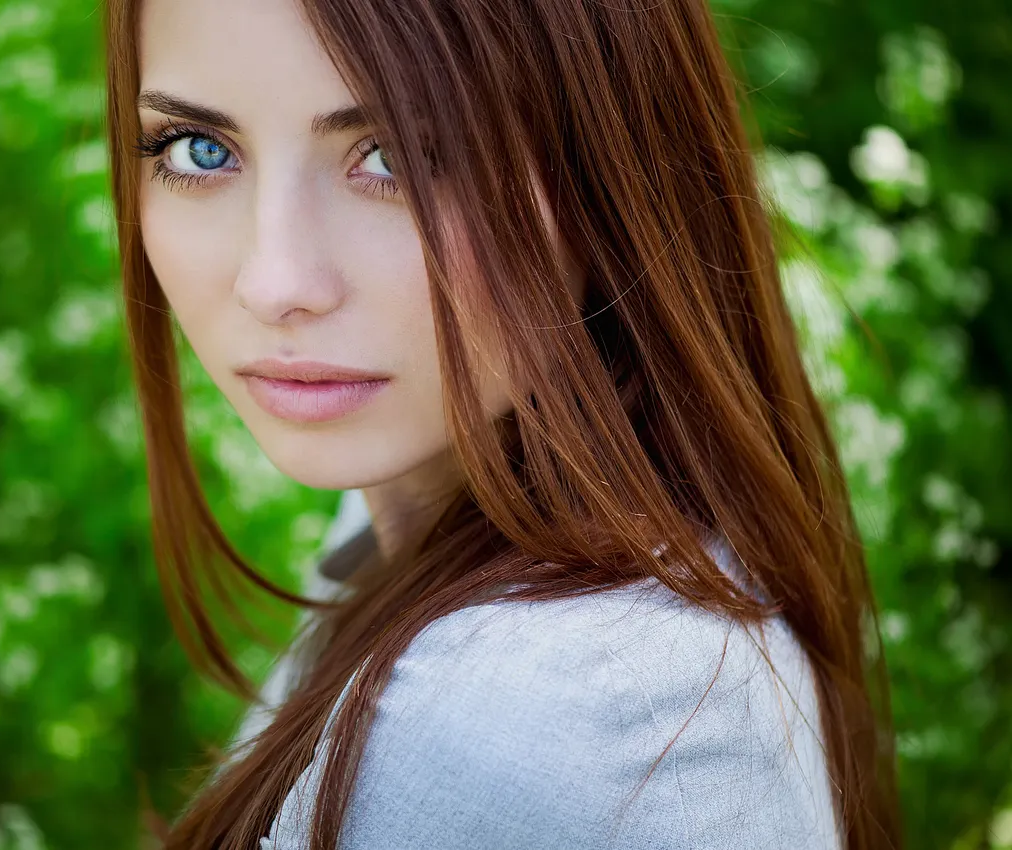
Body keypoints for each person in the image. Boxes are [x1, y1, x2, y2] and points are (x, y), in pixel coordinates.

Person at [105, 0, 902, 846]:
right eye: (198, 149)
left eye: (401, 156)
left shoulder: (523, 722)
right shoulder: (425, 525)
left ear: (611, 169)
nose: (275, 284)